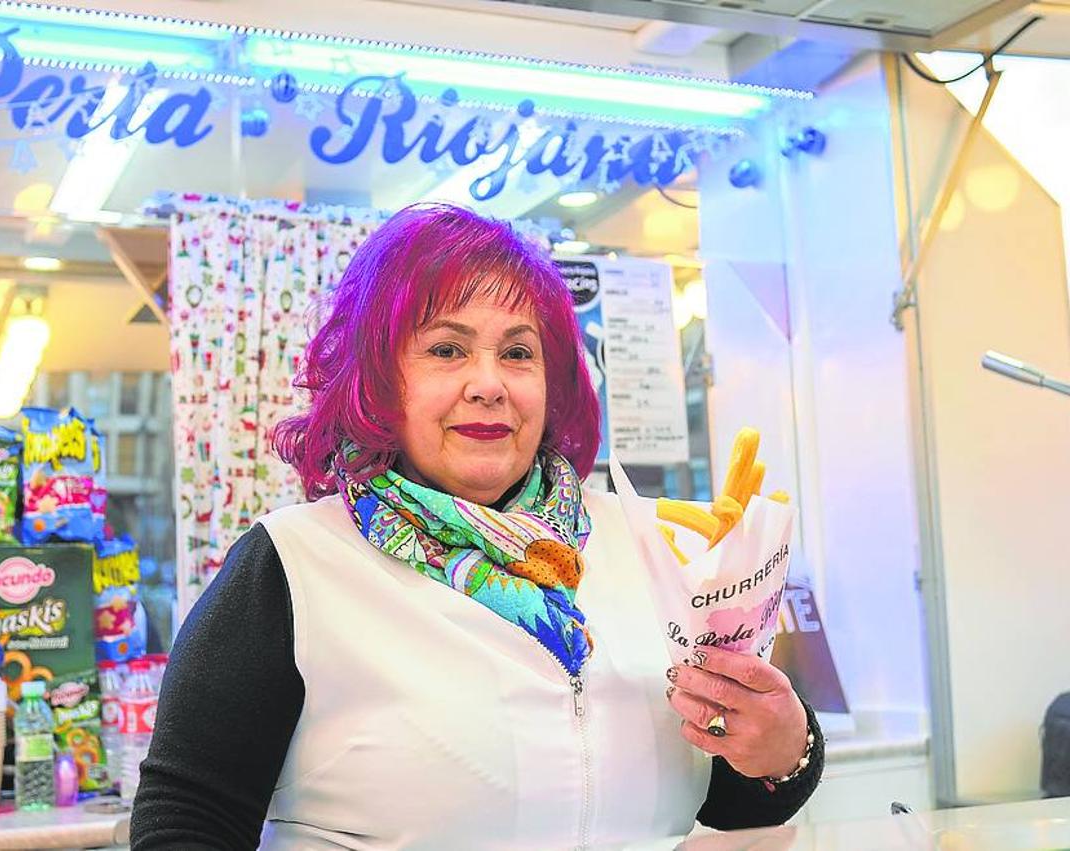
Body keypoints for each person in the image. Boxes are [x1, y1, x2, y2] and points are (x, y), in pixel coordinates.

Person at [130, 204, 823, 850]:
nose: (488, 382)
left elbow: (735, 794)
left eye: (518, 352)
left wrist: (786, 748)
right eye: (446, 349)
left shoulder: (647, 545)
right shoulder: (292, 564)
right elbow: (186, 824)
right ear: (378, 379)